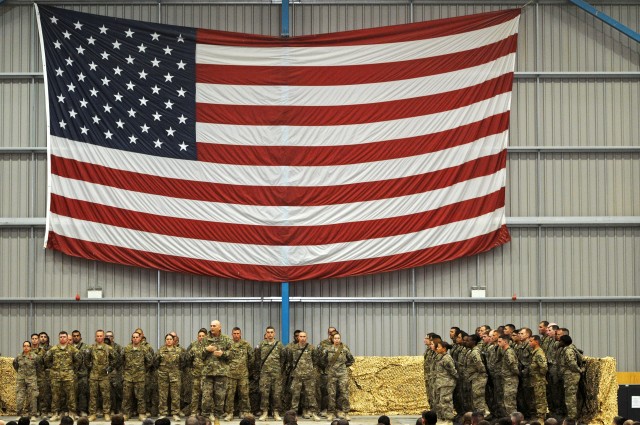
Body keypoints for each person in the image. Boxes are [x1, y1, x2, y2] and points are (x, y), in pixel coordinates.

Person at [45, 331, 82, 420]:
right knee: (55, 396)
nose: (62, 338)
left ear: (67, 338)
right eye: (61, 337)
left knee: (71, 395)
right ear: (59, 338)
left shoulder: (73, 349)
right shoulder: (53, 349)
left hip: (69, 376)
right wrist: (53, 368)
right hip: (56, 376)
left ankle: (72, 413)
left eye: (64, 337)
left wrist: (72, 369)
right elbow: (47, 360)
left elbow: (78, 361)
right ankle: (55, 413)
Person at [201, 320, 232, 422]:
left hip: (221, 373)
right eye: (211, 326)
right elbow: (199, 355)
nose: (212, 327)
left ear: (219, 327)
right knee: (206, 398)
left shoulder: (226, 339)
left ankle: (217, 419)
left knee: (220, 398)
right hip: (208, 373)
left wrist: (223, 354)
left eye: (214, 326)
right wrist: (206, 350)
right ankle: (205, 418)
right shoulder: (205, 340)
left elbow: (232, 355)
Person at [287, 331, 321, 421]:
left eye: (304, 336)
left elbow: (315, 360)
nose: (302, 338)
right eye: (301, 336)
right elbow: (289, 360)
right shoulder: (292, 348)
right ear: (298, 337)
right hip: (297, 376)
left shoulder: (311, 348)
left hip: (309, 376)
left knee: (311, 395)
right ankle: (293, 416)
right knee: (295, 396)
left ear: (306, 337)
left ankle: (314, 413)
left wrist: (311, 371)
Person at [86, 329, 117, 421]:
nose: (99, 337)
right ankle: (92, 414)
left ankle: (106, 413)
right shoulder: (91, 348)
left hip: (104, 376)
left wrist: (109, 369)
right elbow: (86, 360)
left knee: (106, 395)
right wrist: (91, 367)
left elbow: (115, 360)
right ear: (95, 337)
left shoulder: (109, 348)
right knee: (92, 395)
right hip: (94, 376)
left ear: (104, 337)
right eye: (98, 336)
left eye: (101, 336)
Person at [122, 331, 153, 421]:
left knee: (140, 397)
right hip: (128, 377)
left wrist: (143, 370)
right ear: (132, 339)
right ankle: (126, 414)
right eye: (134, 337)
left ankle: (141, 413)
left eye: (137, 337)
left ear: (140, 338)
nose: (135, 339)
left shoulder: (144, 349)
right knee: (126, 397)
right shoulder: (126, 349)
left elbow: (149, 361)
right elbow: (122, 360)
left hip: (140, 377)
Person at [324, 332, 355, 421]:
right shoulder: (328, 349)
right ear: (332, 339)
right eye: (335, 338)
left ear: (340, 339)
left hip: (342, 374)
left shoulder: (344, 349)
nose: (337, 340)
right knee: (331, 394)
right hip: (331, 374)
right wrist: (329, 368)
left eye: (338, 338)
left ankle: (345, 412)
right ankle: (331, 413)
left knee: (344, 393)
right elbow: (323, 360)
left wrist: (344, 366)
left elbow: (351, 360)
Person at [224, 327, 252, 421]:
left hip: (243, 374)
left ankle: (245, 412)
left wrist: (245, 367)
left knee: (244, 394)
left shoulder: (246, 344)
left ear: (240, 334)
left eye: (238, 333)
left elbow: (252, 358)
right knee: (230, 395)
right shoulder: (228, 344)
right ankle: (229, 413)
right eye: (234, 333)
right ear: (232, 334)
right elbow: (223, 357)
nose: (236, 335)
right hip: (231, 374)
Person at [256, 326, 284, 421]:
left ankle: (276, 412)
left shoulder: (279, 345)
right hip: (265, 374)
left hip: (276, 374)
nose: (270, 334)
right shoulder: (261, 344)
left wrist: (278, 369)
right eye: (268, 332)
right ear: (266, 333)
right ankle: (264, 412)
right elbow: (257, 358)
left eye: (272, 332)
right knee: (264, 393)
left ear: (274, 333)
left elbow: (283, 359)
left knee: (276, 394)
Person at [156, 333, 185, 421]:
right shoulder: (160, 350)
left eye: (170, 339)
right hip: (163, 376)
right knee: (163, 395)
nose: (169, 341)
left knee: (175, 395)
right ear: (165, 341)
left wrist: (177, 371)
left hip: (175, 376)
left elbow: (183, 362)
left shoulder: (179, 351)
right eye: (167, 339)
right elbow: (156, 362)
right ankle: (162, 413)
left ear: (173, 340)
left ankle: (175, 413)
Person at [14, 340, 41, 420]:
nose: (26, 347)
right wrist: (21, 374)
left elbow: (38, 367)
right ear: (23, 347)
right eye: (24, 346)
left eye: (27, 346)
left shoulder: (35, 357)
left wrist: (32, 375)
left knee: (33, 397)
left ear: (30, 347)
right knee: (20, 397)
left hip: (31, 379)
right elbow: (15, 365)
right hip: (21, 380)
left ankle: (33, 415)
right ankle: (19, 414)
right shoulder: (19, 357)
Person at [558, 335, 582, 420]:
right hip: (569, 376)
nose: (559, 342)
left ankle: (572, 418)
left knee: (570, 398)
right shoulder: (565, 350)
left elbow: (572, 364)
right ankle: (572, 416)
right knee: (570, 397)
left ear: (564, 342)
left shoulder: (568, 351)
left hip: (571, 376)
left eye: (560, 341)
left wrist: (579, 370)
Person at [432, 341, 456, 422]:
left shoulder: (447, 358)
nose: (437, 348)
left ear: (444, 348)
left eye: (439, 347)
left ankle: (449, 419)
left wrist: (453, 380)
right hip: (441, 383)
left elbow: (453, 371)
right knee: (441, 402)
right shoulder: (441, 357)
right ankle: (443, 417)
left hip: (447, 384)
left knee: (446, 401)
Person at [465, 334, 488, 416]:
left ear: (473, 342)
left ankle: (481, 416)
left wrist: (482, 374)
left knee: (478, 398)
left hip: (478, 377)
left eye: (468, 341)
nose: (466, 342)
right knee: (475, 398)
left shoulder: (475, 352)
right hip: (474, 377)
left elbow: (480, 365)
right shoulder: (472, 350)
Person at [187, 329, 208, 417]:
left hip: (206, 375)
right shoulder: (193, 345)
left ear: (206, 336)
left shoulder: (209, 345)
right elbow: (188, 358)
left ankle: (205, 412)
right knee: (195, 394)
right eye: (200, 336)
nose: (201, 338)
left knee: (206, 395)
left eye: (203, 336)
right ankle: (194, 411)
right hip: (196, 374)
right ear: (197, 337)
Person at [528, 335, 548, 423]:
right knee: (536, 399)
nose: (529, 343)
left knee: (540, 399)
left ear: (536, 342)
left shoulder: (539, 353)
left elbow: (544, 367)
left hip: (539, 380)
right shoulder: (534, 352)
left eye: (531, 341)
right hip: (535, 380)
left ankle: (541, 417)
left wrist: (540, 376)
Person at [498, 334, 519, 415]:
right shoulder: (505, 351)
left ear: (505, 342)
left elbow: (514, 367)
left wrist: (515, 374)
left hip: (511, 379)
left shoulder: (509, 352)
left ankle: (514, 419)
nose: (498, 343)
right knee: (507, 400)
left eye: (500, 341)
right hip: (507, 379)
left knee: (510, 402)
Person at [72, 330, 89, 417]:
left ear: (80, 337)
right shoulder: (69, 347)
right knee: (72, 394)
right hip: (72, 374)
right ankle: (73, 411)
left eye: (77, 336)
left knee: (83, 393)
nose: (76, 337)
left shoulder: (86, 347)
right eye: (74, 336)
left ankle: (82, 410)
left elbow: (90, 359)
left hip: (83, 374)